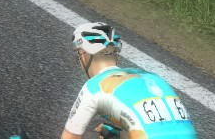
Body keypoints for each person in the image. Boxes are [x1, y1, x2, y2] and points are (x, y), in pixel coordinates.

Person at [60, 22, 195, 139]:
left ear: (84, 56)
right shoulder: (153, 77)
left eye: (79, 56)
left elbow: (70, 136)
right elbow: (160, 130)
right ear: (116, 54)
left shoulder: (94, 87)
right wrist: (118, 135)